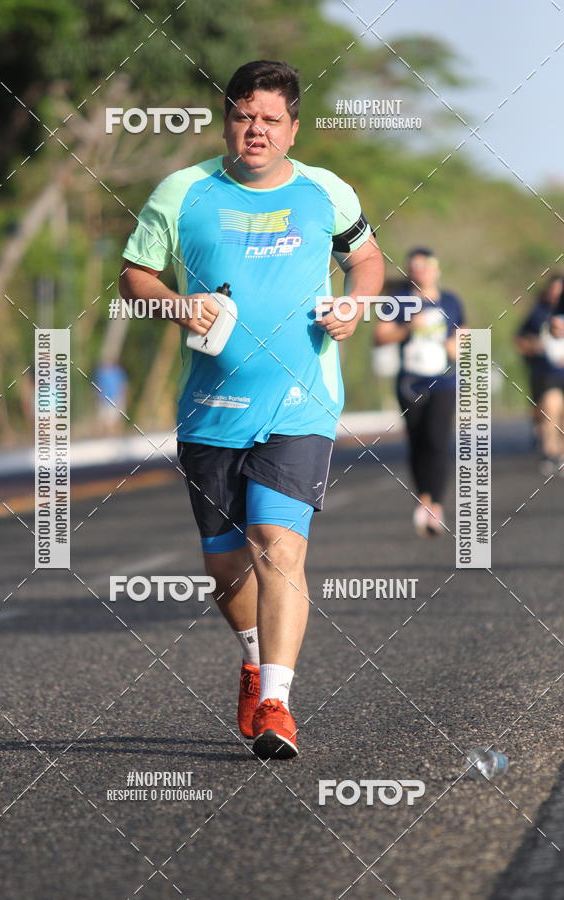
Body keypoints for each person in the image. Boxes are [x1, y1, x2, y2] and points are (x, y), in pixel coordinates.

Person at [119, 60, 384, 759]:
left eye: (270, 119)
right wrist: (174, 304)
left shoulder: (326, 192)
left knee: (277, 544)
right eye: (243, 116)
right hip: (209, 409)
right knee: (226, 567)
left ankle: (277, 701)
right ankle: (252, 657)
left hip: (301, 403)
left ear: (293, 128)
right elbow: (134, 277)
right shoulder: (183, 192)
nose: (256, 130)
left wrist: (355, 303)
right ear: (226, 122)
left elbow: (366, 259)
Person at [374, 248, 465, 536]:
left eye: (426, 265)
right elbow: (380, 336)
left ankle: (435, 505)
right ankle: (423, 498)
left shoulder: (451, 300)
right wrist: (407, 328)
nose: (421, 271)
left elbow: (464, 335)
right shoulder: (398, 300)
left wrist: (457, 345)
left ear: (436, 269)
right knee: (418, 441)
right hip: (410, 383)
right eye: (415, 266)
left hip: (445, 380)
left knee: (437, 440)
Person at [515, 274, 564, 474]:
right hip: (546, 374)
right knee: (550, 407)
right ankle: (550, 451)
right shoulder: (538, 314)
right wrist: (535, 346)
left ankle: (560, 451)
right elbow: (520, 340)